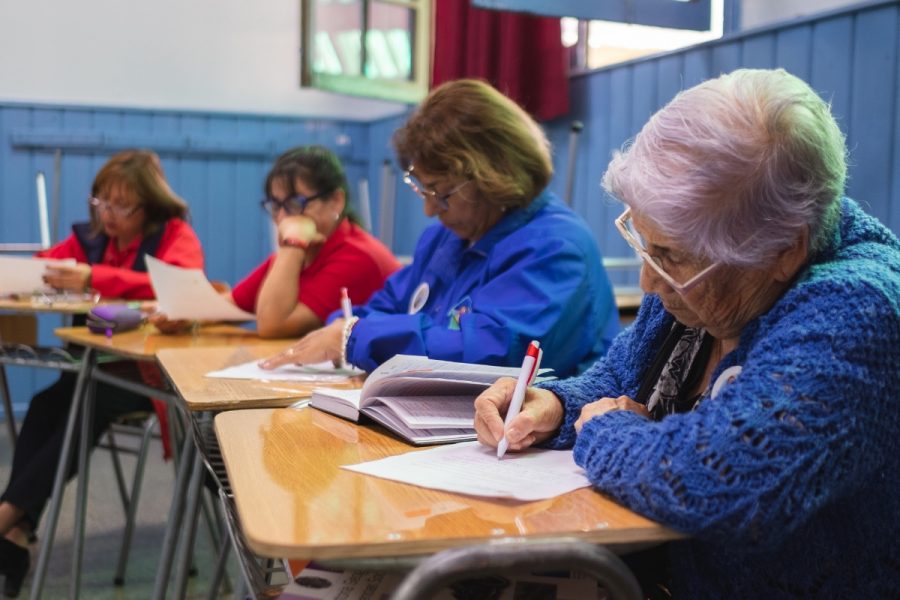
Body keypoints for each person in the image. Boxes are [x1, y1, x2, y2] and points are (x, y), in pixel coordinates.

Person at [473, 68, 900, 598]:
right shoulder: (703, 278)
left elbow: (721, 482)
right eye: (645, 246)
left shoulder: (857, 311)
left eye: (670, 257)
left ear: (784, 250)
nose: (650, 282)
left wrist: (603, 432)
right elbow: (620, 379)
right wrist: (555, 405)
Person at [261, 79, 619, 377]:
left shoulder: (555, 247)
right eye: (424, 190)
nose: (431, 209)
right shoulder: (446, 239)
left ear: (495, 177)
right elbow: (388, 305)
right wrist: (344, 327)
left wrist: (356, 336)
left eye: (443, 194)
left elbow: (492, 351)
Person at [0, 150, 204, 597]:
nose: (107, 215)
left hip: (149, 379)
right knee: (46, 403)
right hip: (91, 370)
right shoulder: (90, 238)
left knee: (83, 404)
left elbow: (182, 284)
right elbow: (42, 266)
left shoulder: (174, 234)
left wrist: (97, 277)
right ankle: (14, 532)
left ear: (147, 205)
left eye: (120, 206)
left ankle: (6, 518)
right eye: (100, 203)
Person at [150, 145, 401, 338]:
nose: (282, 217)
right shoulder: (307, 249)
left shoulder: (357, 256)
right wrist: (184, 314)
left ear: (336, 201)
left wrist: (292, 244)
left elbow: (273, 324)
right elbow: (231, 304)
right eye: (275, 205)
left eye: (295, 203)